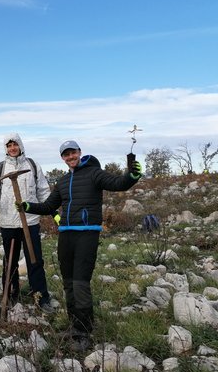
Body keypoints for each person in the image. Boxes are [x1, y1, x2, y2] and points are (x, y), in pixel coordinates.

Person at [18, 140, 142, 351]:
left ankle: (84, 331)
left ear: (79, 153)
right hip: (66, 235)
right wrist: (28, 206)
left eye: (73, 153)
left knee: (80, 282)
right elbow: (49, 205)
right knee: (68, 282)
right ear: (63, 158)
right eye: (66, 155)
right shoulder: (64, 181)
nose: (70, 157)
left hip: (87, 234)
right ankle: (74, 326)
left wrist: (131, 176)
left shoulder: (94, 173)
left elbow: (118, 183)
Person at [0, 132, 54, 314]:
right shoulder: (0, 168)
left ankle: (41, 296)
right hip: (8, 222)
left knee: (35, 260)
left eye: (15, 145)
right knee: (10, 261)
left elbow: (43, 191)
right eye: (9, 145)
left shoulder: (33, 166)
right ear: (6, 148)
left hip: (30, 220)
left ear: (20, 146)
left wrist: (52, 209)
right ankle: (12, 293)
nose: (12, 148)